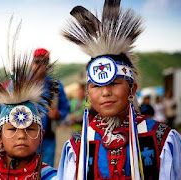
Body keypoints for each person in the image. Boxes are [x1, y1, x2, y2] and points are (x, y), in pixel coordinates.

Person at [57, 0, 181, 179]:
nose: (105, 92)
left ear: (132, 89)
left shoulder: (161, 139)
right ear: (88, 94)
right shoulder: (78, 145)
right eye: (96, 86)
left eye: (114, 83)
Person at [0, 21, 57, 180]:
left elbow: (63, 107)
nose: (21, 136)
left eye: (30, 129)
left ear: (40, 136)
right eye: (11, 129)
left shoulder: (53, 177)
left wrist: (59, 114)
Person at [31, 48, 69, 167]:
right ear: (32, 63)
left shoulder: (55, 84)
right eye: (37, 62)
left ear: (48, 65)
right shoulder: (21, 83)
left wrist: (58, 114)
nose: (40, 66)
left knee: (45, 169)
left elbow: (65, 108)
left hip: (48, 137)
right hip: (25, 135)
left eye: (44, 62)